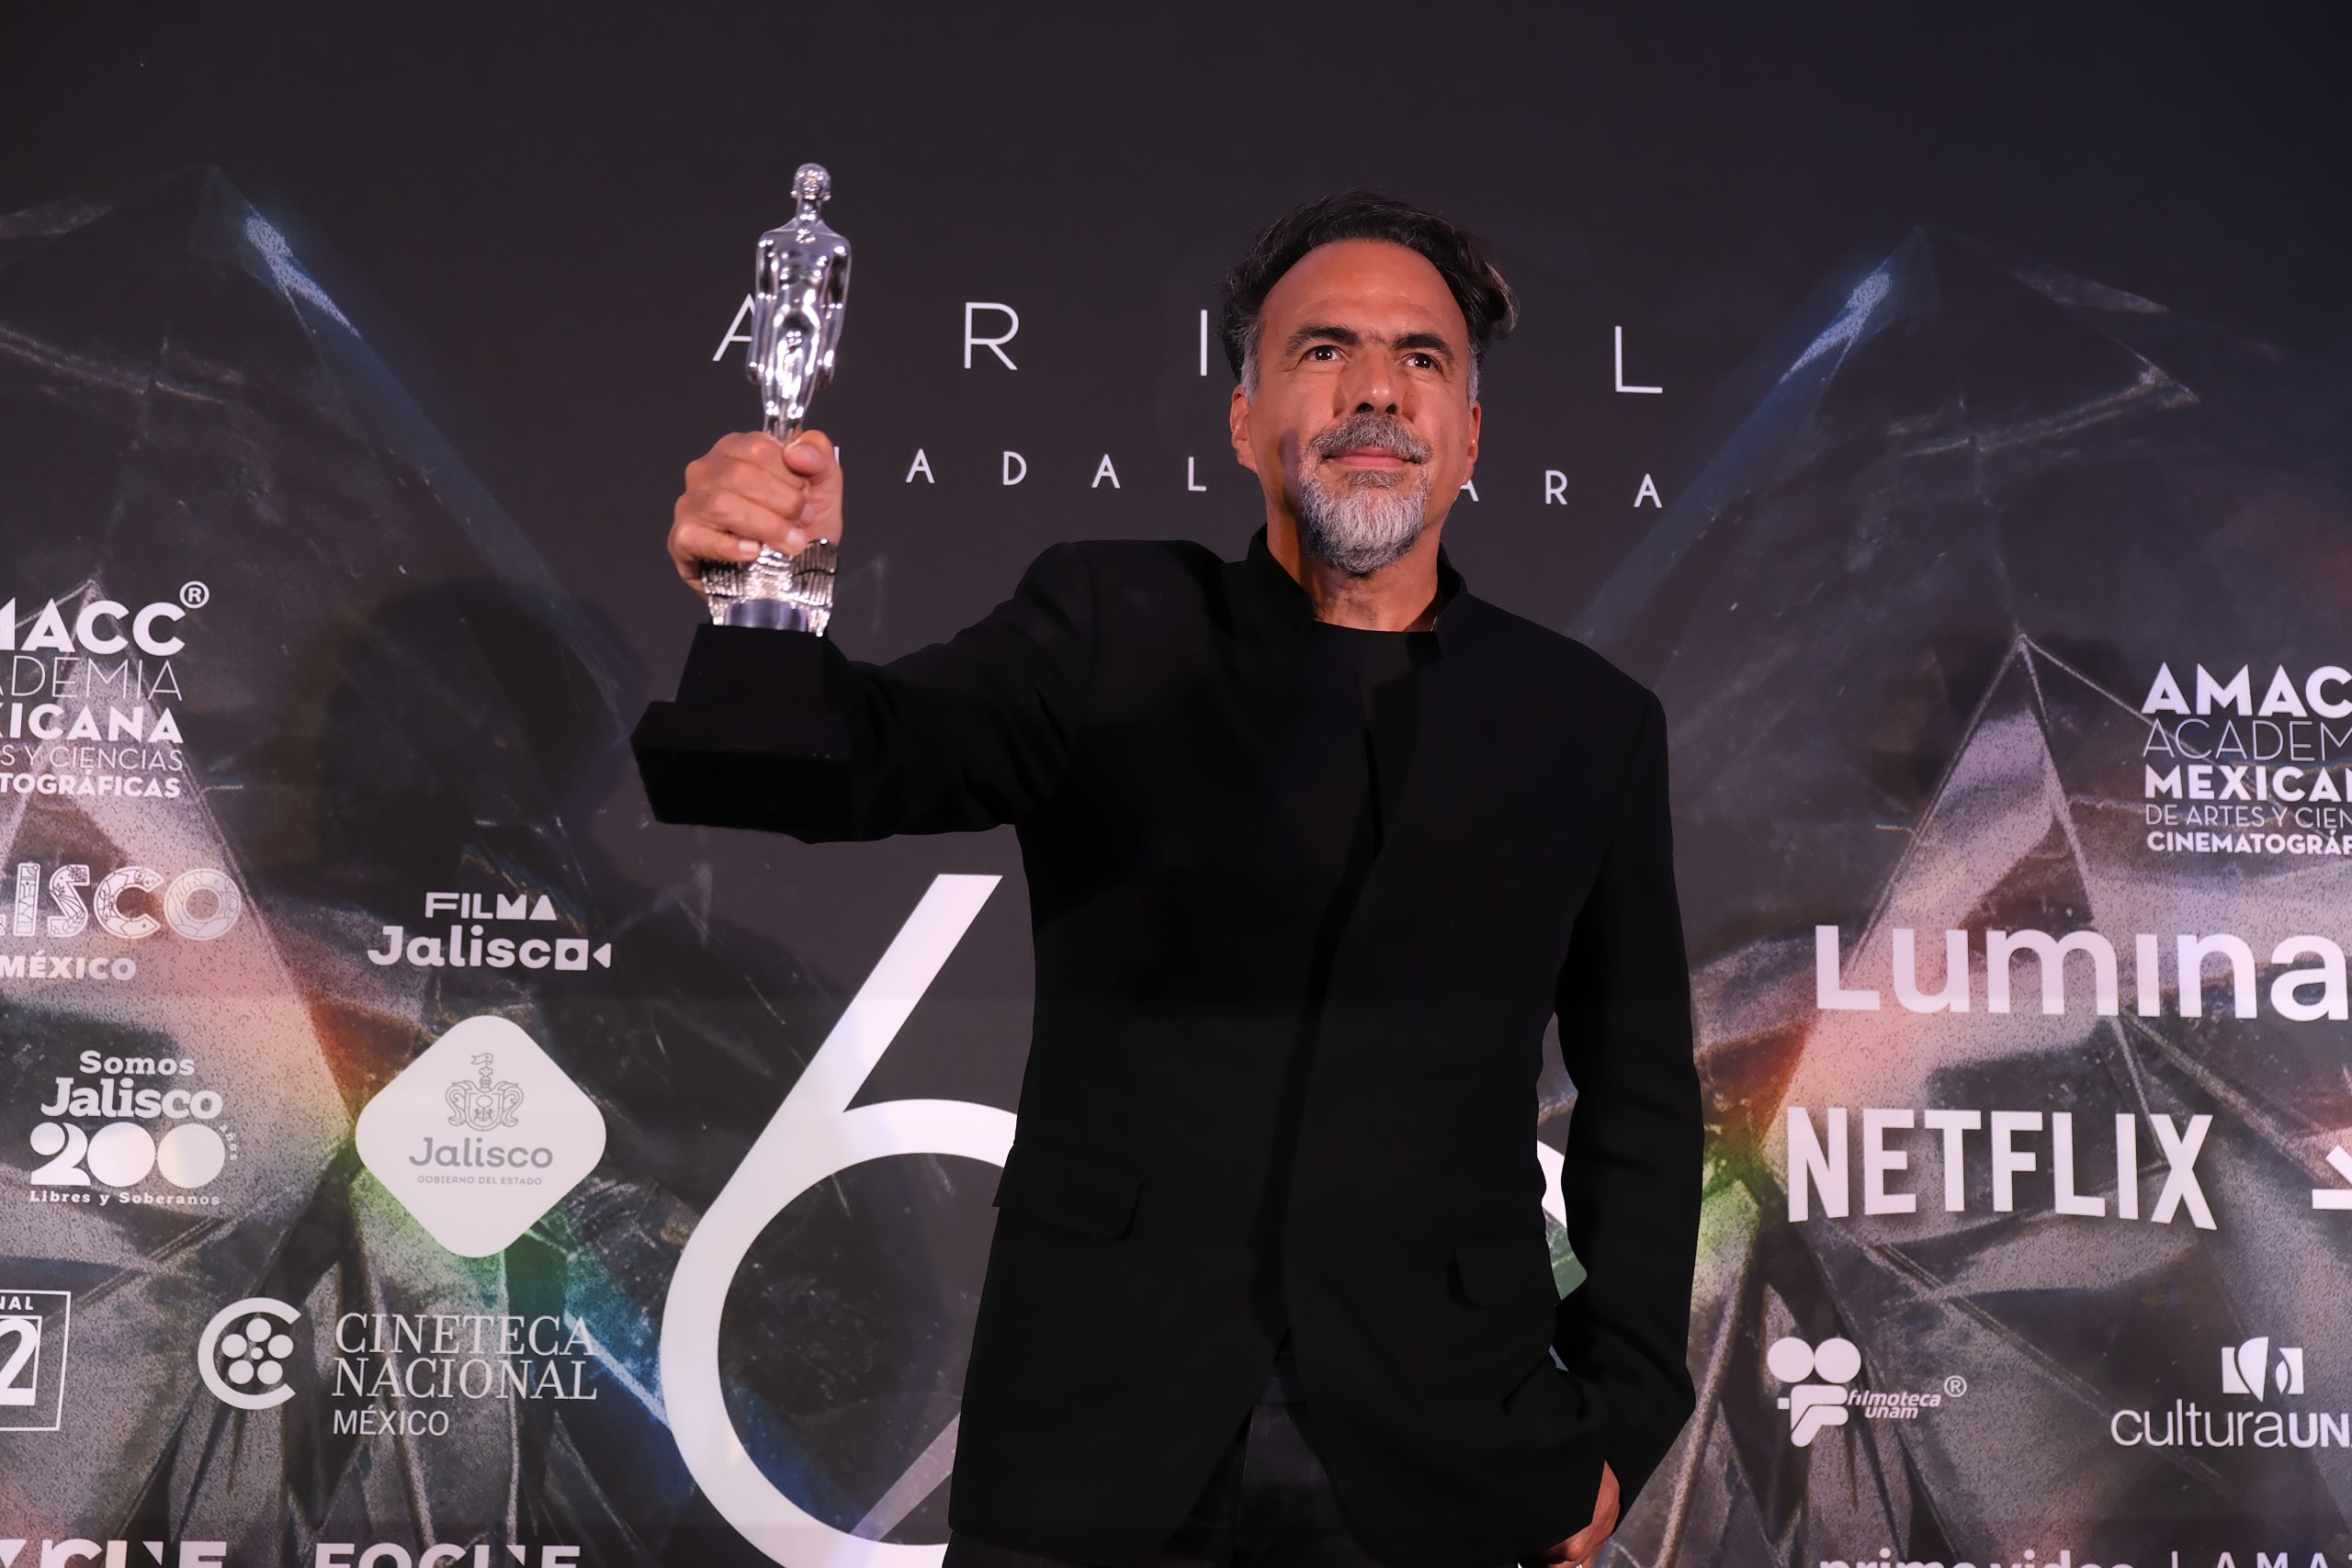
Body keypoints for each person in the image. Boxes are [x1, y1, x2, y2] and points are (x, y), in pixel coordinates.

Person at [632, 190, 1702, 1568]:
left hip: (1451, 1452)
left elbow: (1641, 1105)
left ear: (1471, 435)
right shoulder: (1110, 625)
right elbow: (853, 764)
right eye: (1324, 350)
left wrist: (1619, 1421)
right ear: (1244, 418)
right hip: (1093, 1444)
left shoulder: (1586, 724)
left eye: (1421, 359)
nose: (1377, 390)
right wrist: (765, 599)